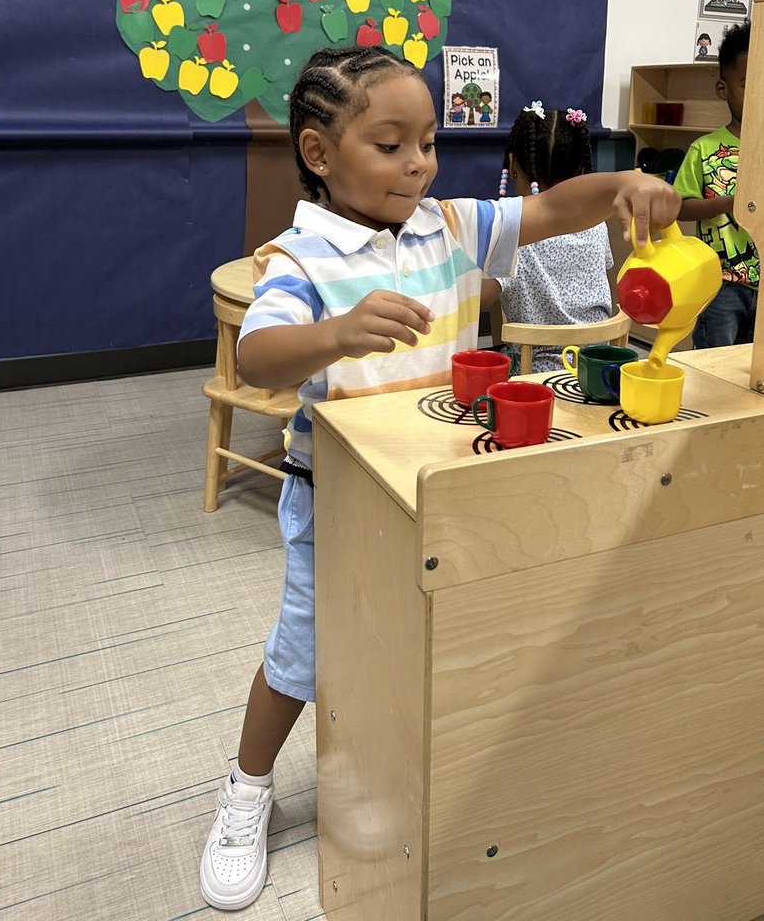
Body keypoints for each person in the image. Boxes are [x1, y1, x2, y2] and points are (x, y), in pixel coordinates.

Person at [198, 45, 679, 911]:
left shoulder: (452, 225)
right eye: (390, 145)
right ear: (318, 154)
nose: (418, 163)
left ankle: (423, 773)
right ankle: (245, 791)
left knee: (437, 642)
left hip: (450, 489)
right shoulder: (299, 261)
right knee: (304, 655)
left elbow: (552, 208)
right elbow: (263, 358)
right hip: (338, 502)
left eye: (428, 141)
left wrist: (622, 187)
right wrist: (337, 332)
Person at [480, 103, 614, 373]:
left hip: (535, 376)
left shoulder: (512, 229)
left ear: (513, 165)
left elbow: (479, 300)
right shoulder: (596, 221)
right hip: (599, 370)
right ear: (580, 171)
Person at [673, 20, 759, 347]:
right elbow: (681, 208)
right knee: (713, 364)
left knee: (753, 372)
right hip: (719, 283)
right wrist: (725, 203)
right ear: (723, 89)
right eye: (748, 83)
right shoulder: (705, 149)